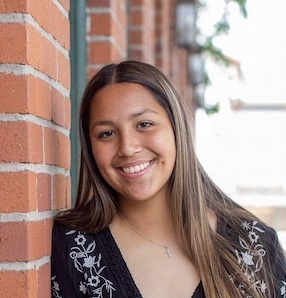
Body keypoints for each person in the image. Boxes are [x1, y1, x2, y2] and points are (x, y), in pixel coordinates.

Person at [51, 60, 286, 298]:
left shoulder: (255, 246)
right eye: (107, 133)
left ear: (176, 129)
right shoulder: (72, 248)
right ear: (91, 148)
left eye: (144, 124)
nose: (128, 148)